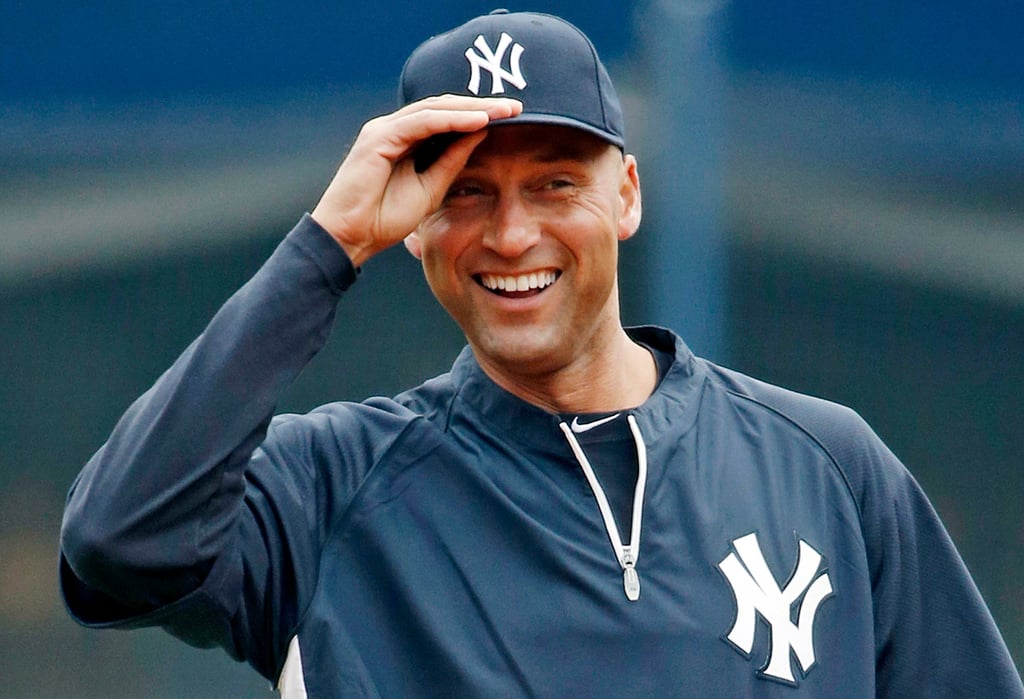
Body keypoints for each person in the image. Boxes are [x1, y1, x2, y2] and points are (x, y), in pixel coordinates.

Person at [59, 10, 1022, 698]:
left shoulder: (827, 467)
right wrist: (326, 244)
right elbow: (119, 543)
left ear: (629, 195)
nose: (511, 234)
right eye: (467, 193)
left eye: (556, 182)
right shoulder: (335, 484)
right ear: (413, 225)